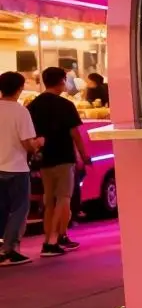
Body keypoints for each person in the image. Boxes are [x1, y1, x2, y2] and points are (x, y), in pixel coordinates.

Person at [27, 66, 91, 257]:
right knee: (63, 198)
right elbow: (75, 134)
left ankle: (52, 238)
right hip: (63, 157)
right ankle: (52, 241)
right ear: (62, 81)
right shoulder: (66, 105)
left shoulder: (33, 105)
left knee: (49, 201)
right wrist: (84, 155)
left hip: (44, 158)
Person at [0, 72, 44, 267]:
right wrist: (39, 143)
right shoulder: (20, 112)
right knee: (19, 209)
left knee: (1, 209)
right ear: (19, 88)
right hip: (16, 168)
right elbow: (27, 143)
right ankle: (9, 250)